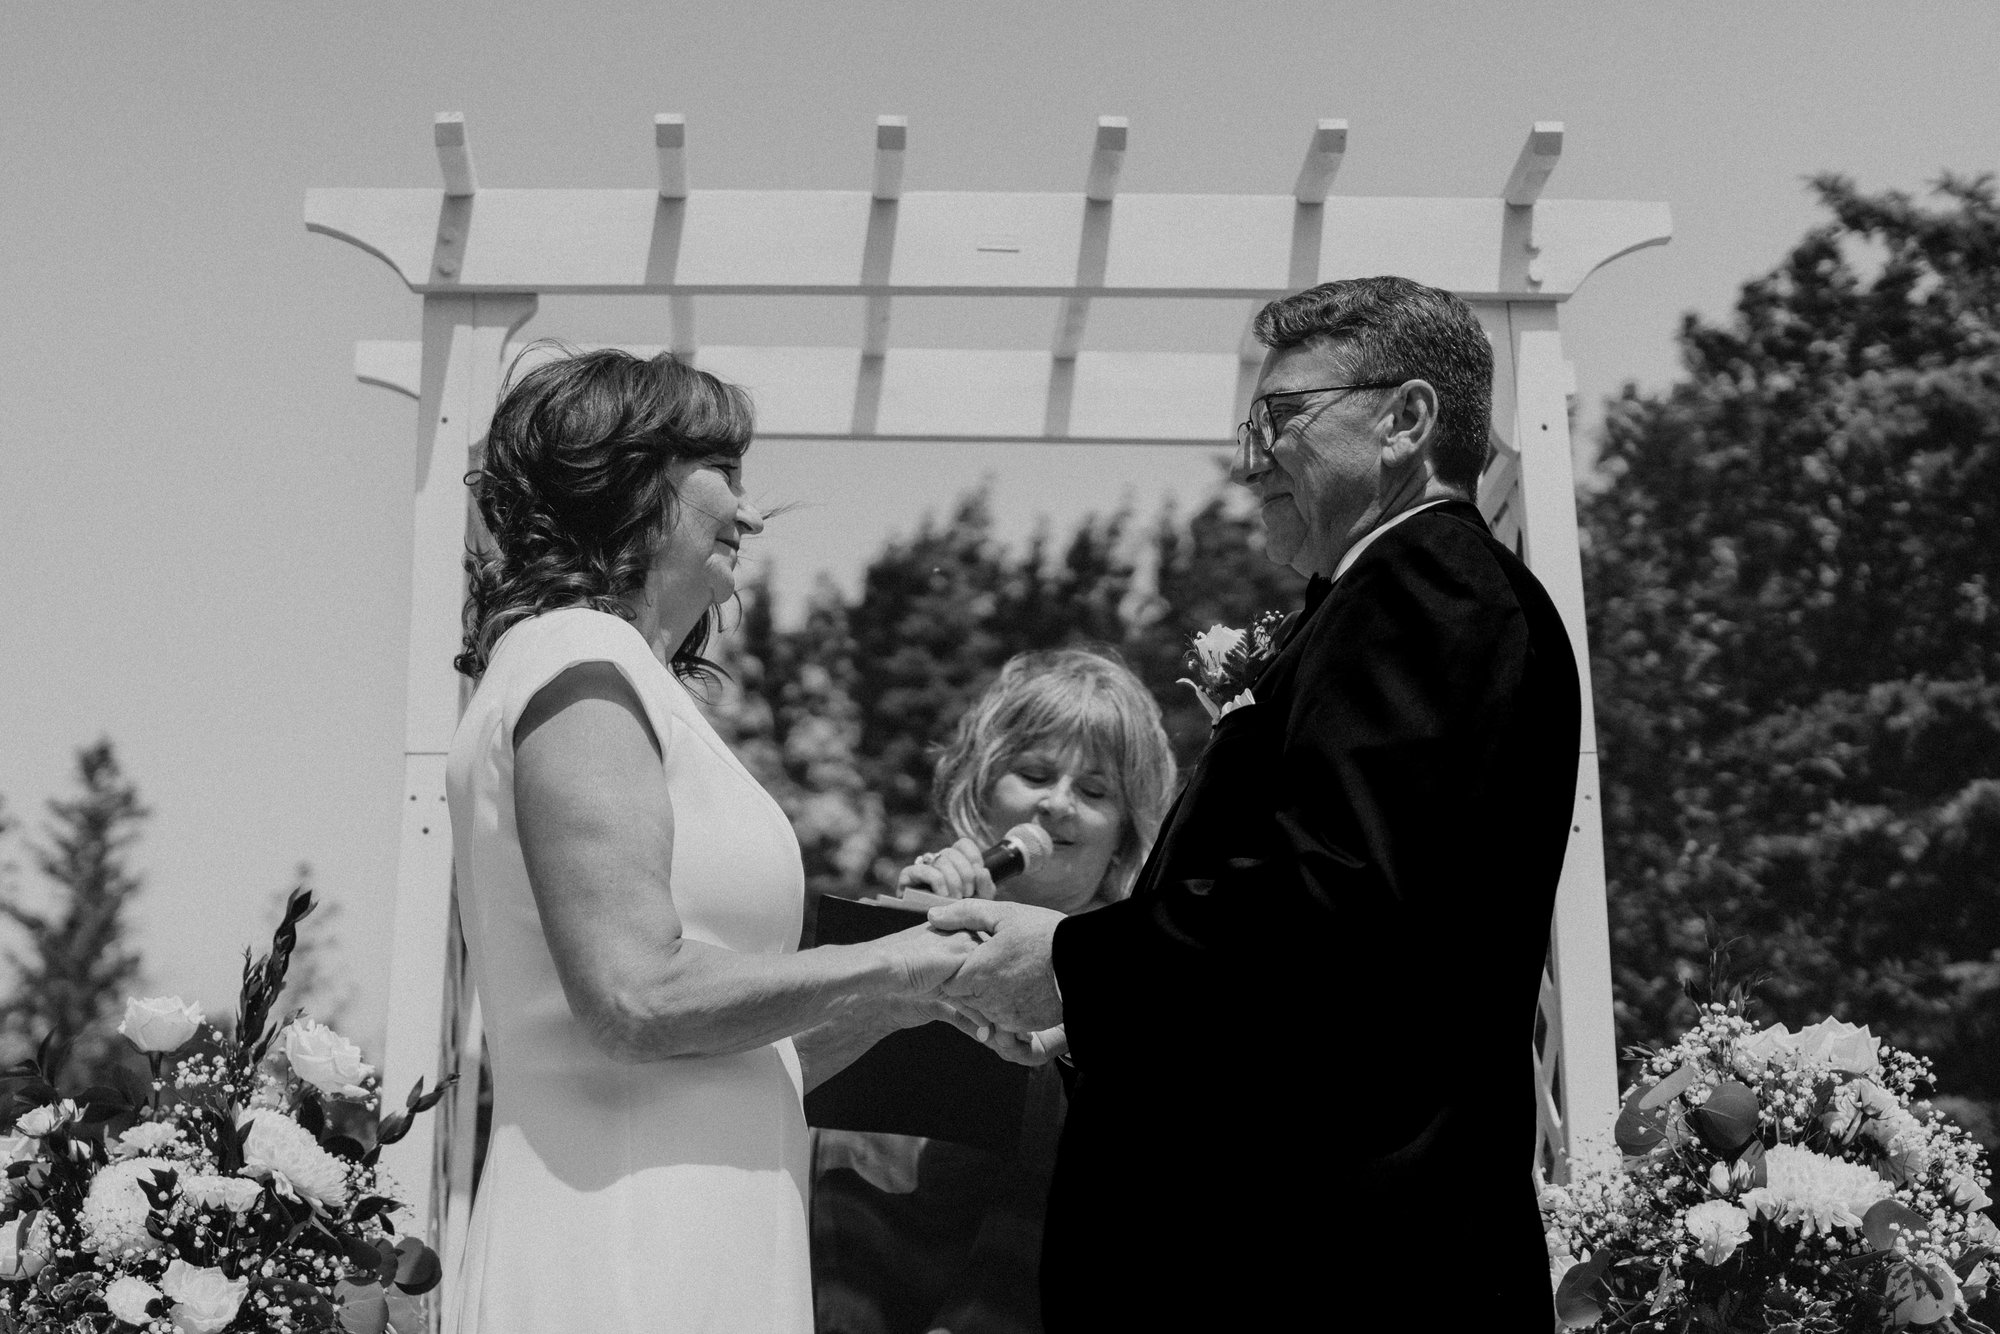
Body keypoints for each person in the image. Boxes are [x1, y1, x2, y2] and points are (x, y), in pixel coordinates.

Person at [930, 277, 1583, 1329]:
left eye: (1279, 417)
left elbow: (1328, 900)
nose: (1249, 456)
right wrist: (1076, 1025)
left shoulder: (1426, 590)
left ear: (1406, 420)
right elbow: (1333, 978)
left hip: (1339, 1271)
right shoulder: (1388, 598)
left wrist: (1067, 965)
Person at [442, 347, 975, 1334]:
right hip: (627, 1243)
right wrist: (885, 958)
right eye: (723, 473)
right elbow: (636, 993)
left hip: (692, 1226)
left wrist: (911, 993)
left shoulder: (613, 675)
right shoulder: (579, 662)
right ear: (635, 481)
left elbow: (720, 1048)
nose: (751, 513)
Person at [811, 648, 1177, 1334]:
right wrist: (909, 934)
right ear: (982, 788)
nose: (1057, 803)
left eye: (1095, 792)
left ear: (1125, 832)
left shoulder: (1148, 964)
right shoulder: (917, 906)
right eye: (1035, 773)